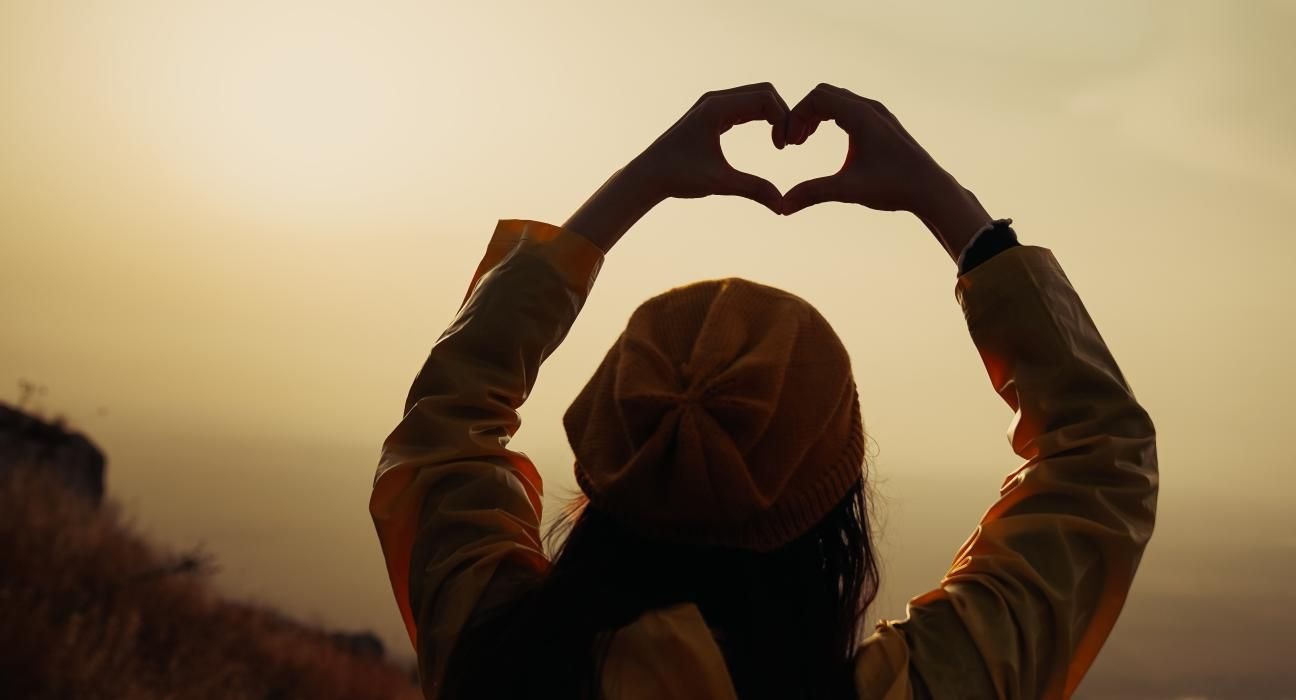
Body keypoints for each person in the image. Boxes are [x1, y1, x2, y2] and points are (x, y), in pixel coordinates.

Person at [370, 82, 1158, 700]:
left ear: (610, 457)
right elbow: (1100, 464)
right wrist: (947, 204)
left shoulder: (493, 648)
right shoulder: (924, 686)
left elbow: (445, 431)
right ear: (835, 508)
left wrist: (636, 186)